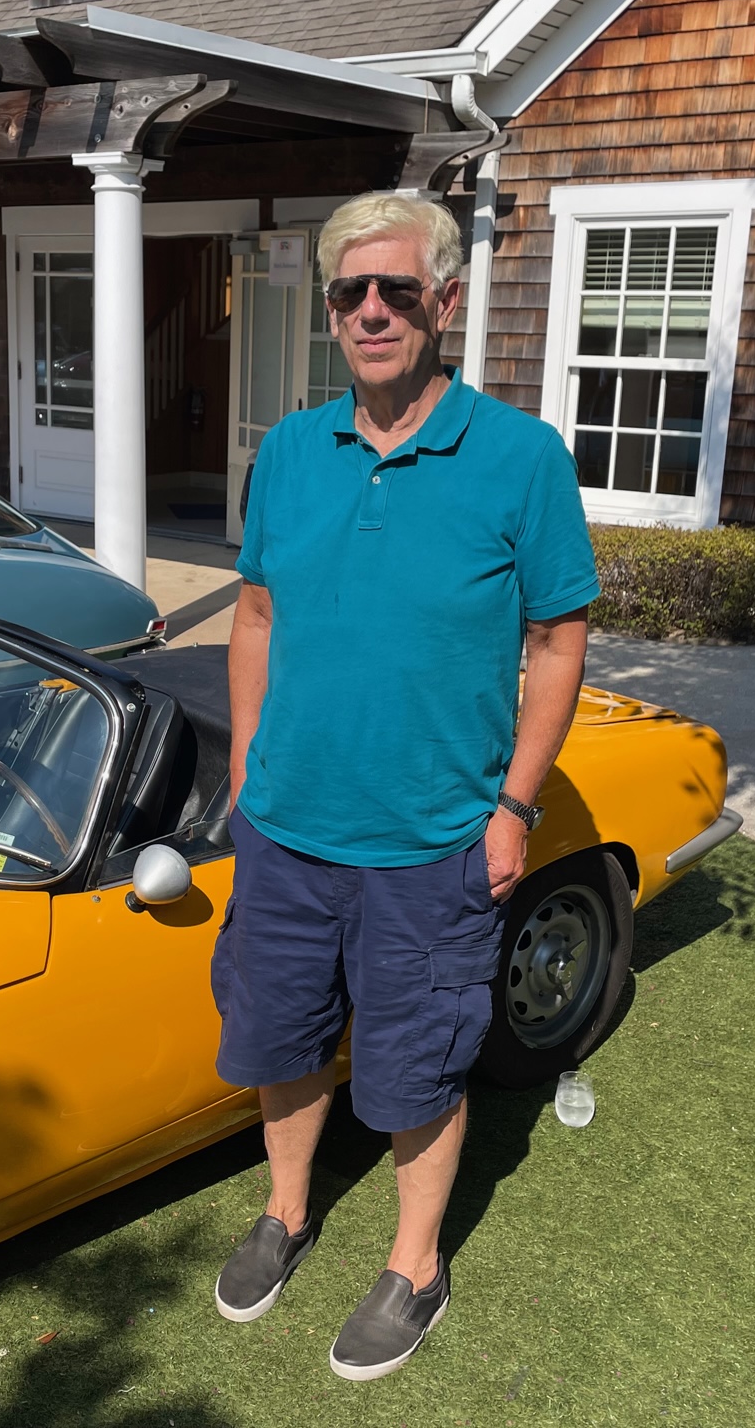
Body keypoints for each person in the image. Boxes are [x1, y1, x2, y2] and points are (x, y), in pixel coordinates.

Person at [212, 191, 599, 1380]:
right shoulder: (289, 449)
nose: (372, 311)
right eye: (349, 292)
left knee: (415, 1064)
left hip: (434, 840)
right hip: (288, 831)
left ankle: (416, 1265)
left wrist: (515, 806)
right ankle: (285, 1214)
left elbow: (557, 641)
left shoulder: (522, 459)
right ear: (328, 310)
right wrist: (243, 767)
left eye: (396, 290)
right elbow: (257, 614)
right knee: (279, 1037)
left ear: (445, 300)